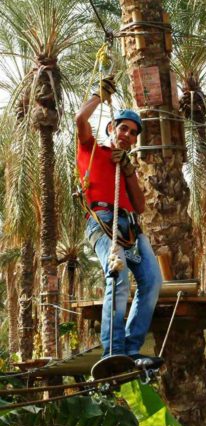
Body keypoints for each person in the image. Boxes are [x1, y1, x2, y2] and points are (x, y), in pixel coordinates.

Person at [76, 77, 163, 364]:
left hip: (131, 227)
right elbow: (79, 118)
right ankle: (112, 351)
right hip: (102, 220)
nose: (127, 135)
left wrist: (127, 169)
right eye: (123, 128)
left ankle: (131, 348)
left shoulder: (126, 167)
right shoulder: (92, 151)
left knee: (152, 281)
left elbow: (139, 206)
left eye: (132, 133)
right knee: (118, 273)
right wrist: (98, 95)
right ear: (111, 128)